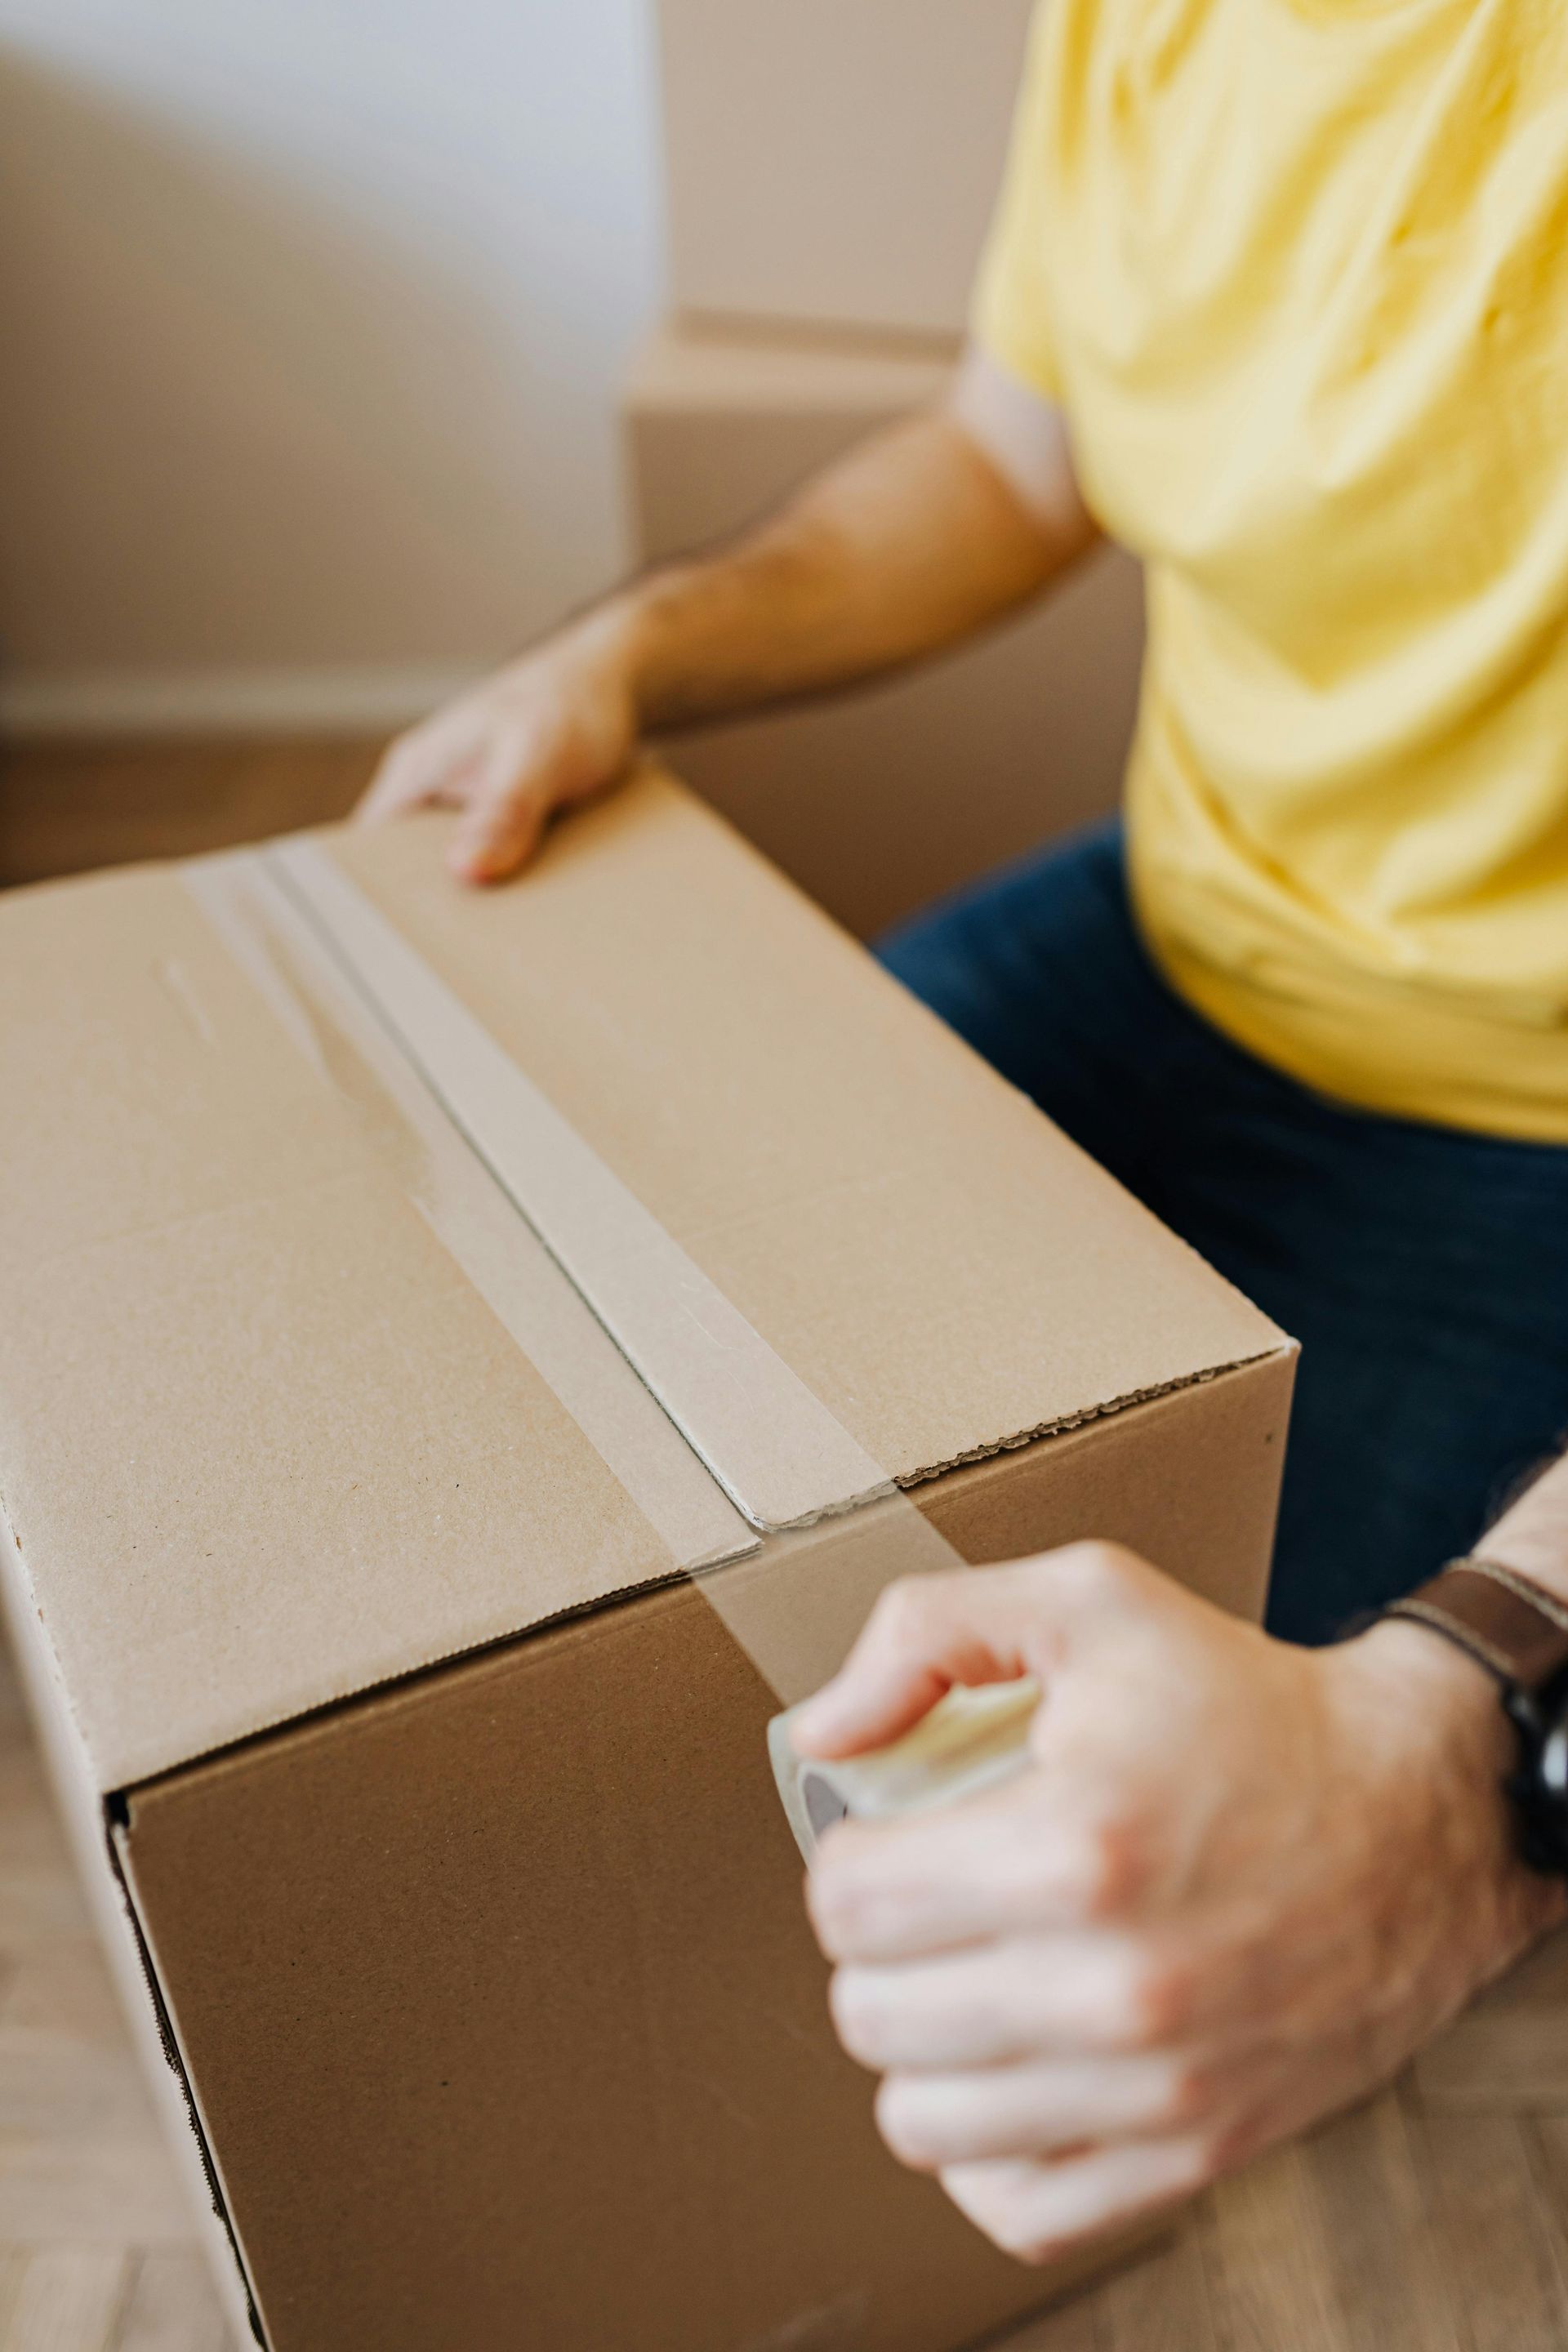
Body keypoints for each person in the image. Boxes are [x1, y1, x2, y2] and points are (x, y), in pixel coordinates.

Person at [358, 0, 1568, 2268]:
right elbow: (1016, 458)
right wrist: (629, 652)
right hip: (1176, 932)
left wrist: (1472, 1756)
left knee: (1113, 1826)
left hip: (1524, 1131)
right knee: (613, 1343)